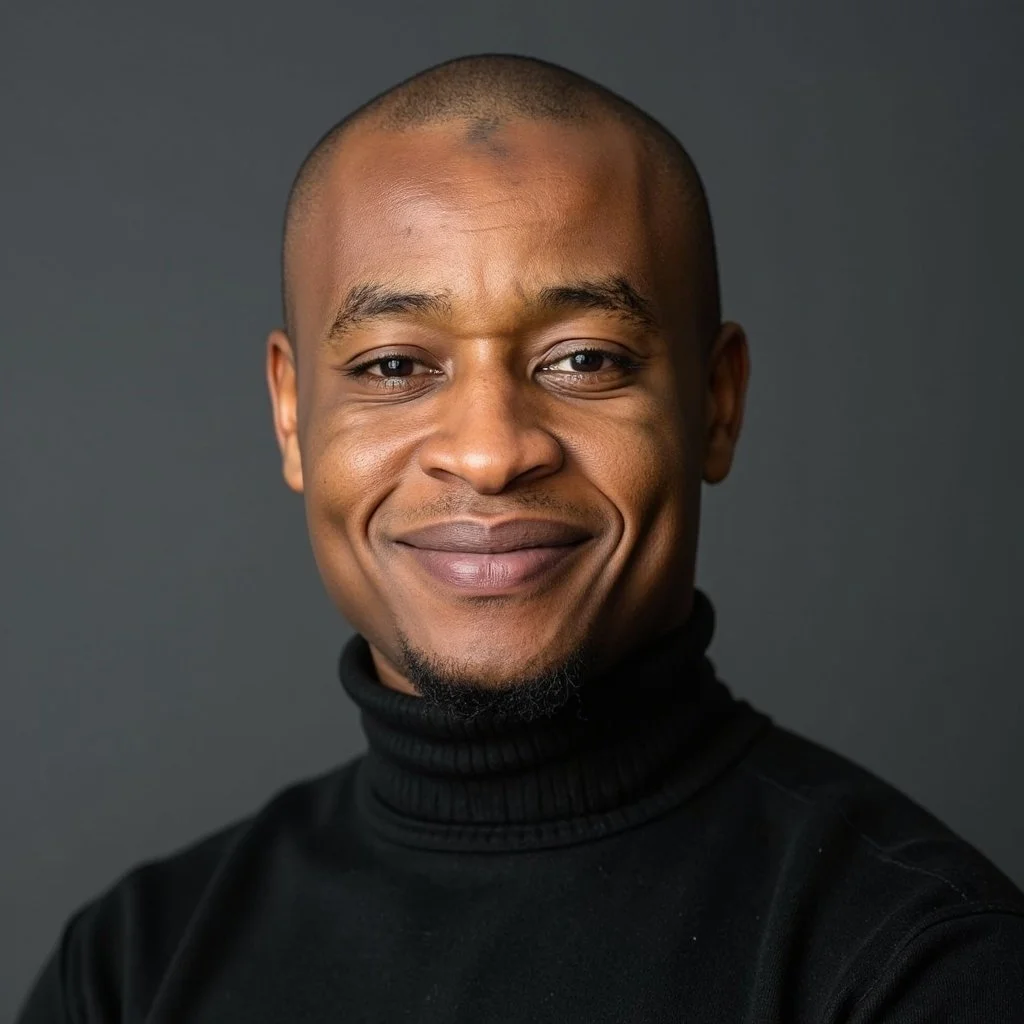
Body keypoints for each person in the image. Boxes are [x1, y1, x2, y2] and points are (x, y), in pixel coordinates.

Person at [17, 53, 1024, 1023]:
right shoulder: (131, 966)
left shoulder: (918, 963)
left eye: (583, 358)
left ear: (714, 405)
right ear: (291, 415)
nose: (490, 453)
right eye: (394, 367)